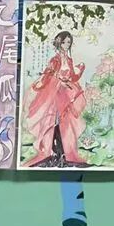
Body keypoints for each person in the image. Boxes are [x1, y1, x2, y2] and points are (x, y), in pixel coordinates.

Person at [23, 31, 87, 167]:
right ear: (59, 43)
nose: (66, 45)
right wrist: (50, 83)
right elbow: (48, 75)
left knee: (65, 123)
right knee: (53, 122)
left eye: (68, 42)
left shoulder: (69, 60)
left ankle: (64, 153)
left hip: (66, 93)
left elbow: (72, 77)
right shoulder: (55, 60)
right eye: (64, 42)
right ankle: (53, 152)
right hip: (55, 93)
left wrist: (80, 69)